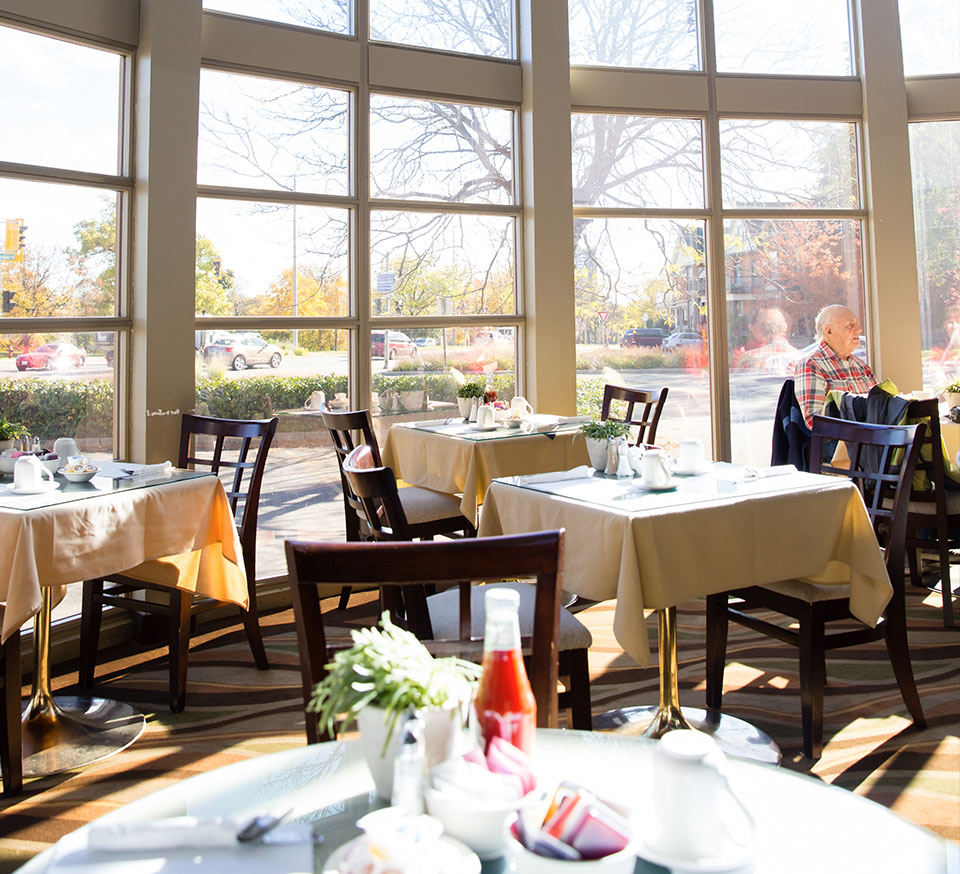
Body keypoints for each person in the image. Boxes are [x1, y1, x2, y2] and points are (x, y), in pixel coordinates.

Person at [793, 304, 876, 428]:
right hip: (842, 443)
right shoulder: (811, 365)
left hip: (871, 440)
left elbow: (880, 407)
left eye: (857, 324)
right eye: (850, 325)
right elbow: (815, 420)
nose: (859, 329)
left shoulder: (861, 366)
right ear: (829, 331)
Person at [735, 307, 798, 374]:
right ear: (786, 326)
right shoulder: (801, 358)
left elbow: (738, 382)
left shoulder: (748, 358)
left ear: (761, 328)